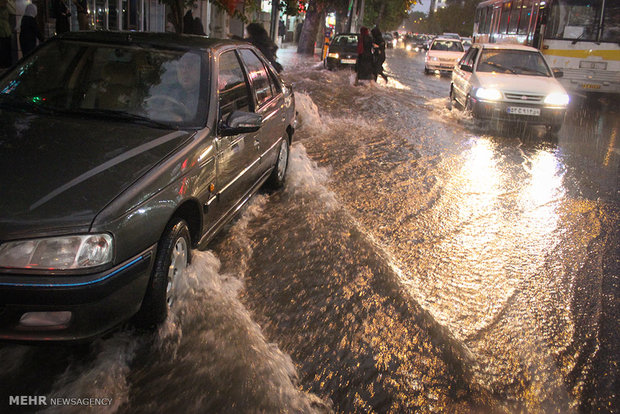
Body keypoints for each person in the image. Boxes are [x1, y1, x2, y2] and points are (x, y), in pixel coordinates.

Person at [0, 0, 12, 69]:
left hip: (7, 33)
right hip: (2, 34)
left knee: (7, 52)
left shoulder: (6, 9)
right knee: (3, 52)